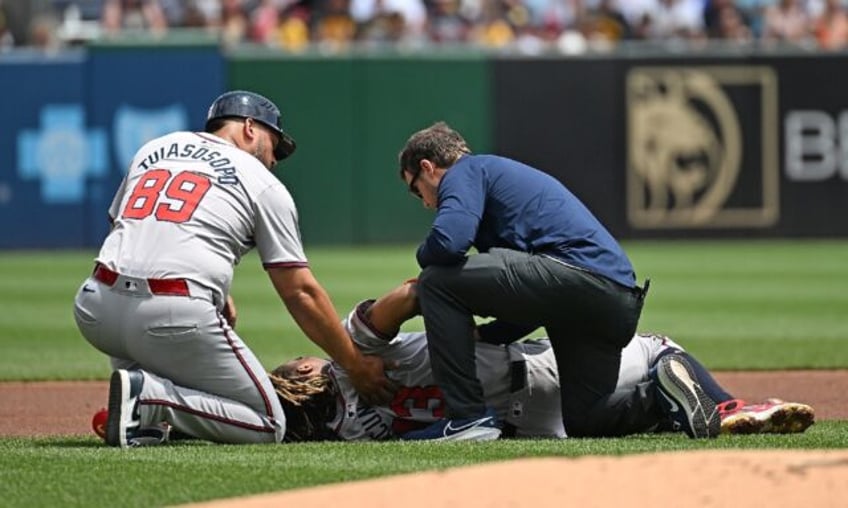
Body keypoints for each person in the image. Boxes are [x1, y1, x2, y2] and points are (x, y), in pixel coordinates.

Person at [73, 90, 393, 448]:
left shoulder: (155, 149)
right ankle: (152, 400)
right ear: (250, 128)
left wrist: (217, 291)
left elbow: (127, 226)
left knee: (162, 361)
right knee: (271, 423)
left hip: (95, 308)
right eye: (275, 146)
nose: (274, 160)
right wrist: (354, 363)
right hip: (170, 316)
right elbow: (300, 291)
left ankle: (142, 411)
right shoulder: (262, 183)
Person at [396, 121, 719, 441]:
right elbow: (530, 305)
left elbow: (449, 242)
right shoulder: (493, 180)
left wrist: (423, 257)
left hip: (573, 276)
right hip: (614, 300)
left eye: (416, 189)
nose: (426, 202)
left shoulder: (465, 171)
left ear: (429, 167)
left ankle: (466, 418)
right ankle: (663, 391)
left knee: (436, 280)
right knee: (588, 419)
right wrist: (487, 333)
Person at [267, 280, 815, 442]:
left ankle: (681, 409)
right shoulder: (349, 359)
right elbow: (414, 292)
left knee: (630, 414)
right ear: (308, 373)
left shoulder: (349, 433)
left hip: (529, 426)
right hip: (532, 369)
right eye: (301, 361)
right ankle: (722, 407)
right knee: (658, 350)